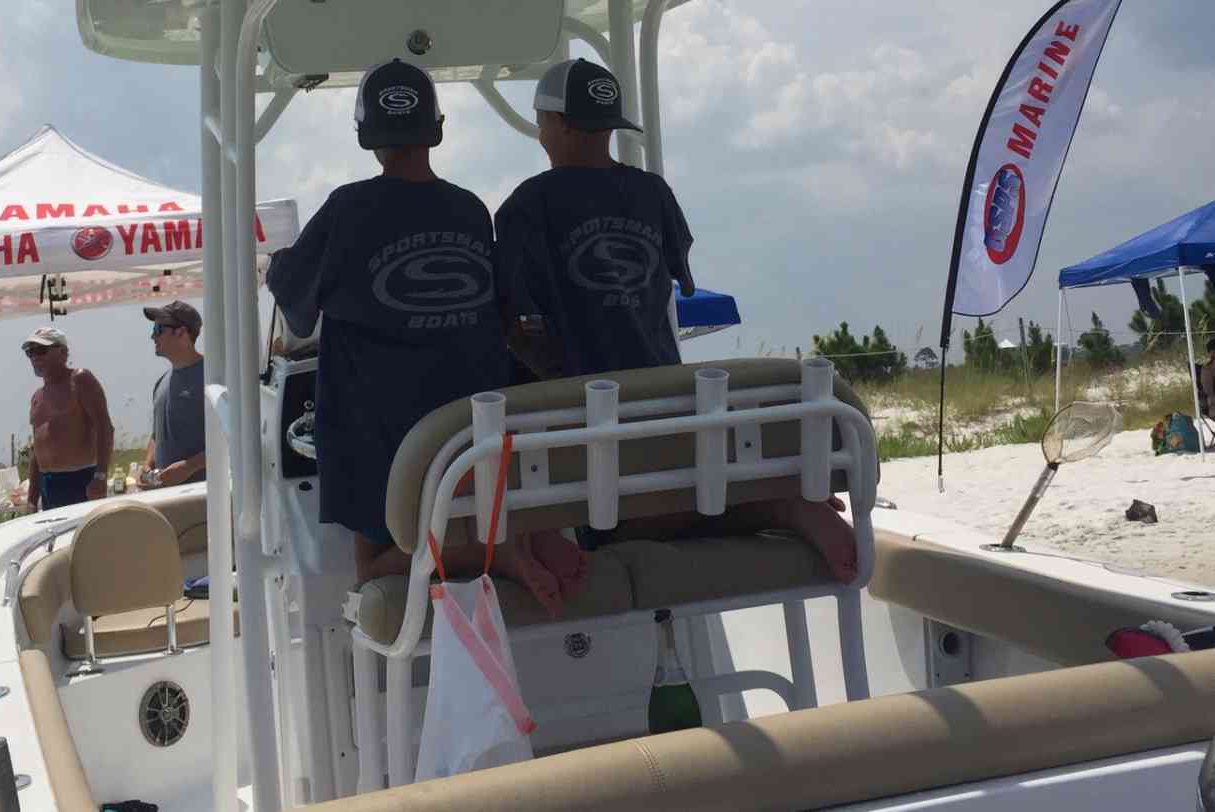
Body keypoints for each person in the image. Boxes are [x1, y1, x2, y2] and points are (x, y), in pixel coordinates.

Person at [494, 57, 857, 583]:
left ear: (556, 126)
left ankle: (778, 508)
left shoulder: (526, 207)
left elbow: (520, 326)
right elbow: (671, 286)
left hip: (591, 413)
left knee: (608, 524)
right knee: (671, 487)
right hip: (672, 403)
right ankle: (777, 502)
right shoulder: (652, 194)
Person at [266, 59, 579, 612]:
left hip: (388, 444)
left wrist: (279, 262)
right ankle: (511, 536)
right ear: (436, 128)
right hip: (470, 438)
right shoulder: (469, 209)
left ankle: (489, 554)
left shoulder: (347, 208)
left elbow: (294, 305)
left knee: (369, 564)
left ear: (367, 136)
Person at [22, 327, 112, 511]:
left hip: (80, 479)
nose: (35, 357)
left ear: (63, 352)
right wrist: (32, 498)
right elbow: (37, 449)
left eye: (41, 350)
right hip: (49, 485)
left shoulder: (79, 379)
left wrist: (100, 476)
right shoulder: (37, 397)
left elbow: (105, 428)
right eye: (30, 352)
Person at [139, 300, 206, 489]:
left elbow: (234, 438)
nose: (152, 336)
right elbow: (156, 436)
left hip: (204, 498)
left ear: (182, 332)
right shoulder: (161, 382)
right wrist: (146, 467)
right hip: (166, 495)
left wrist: (189, 466)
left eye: (158, 329)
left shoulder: (214, 377)